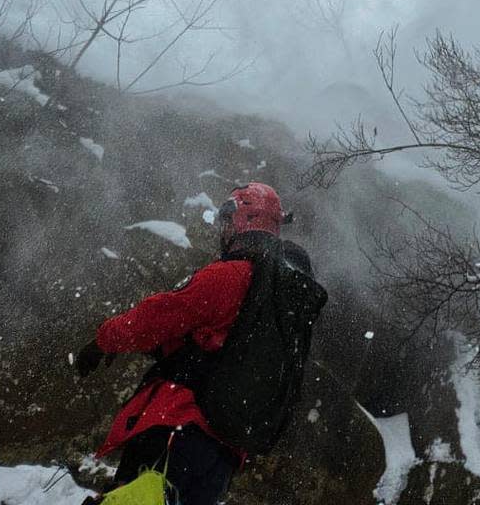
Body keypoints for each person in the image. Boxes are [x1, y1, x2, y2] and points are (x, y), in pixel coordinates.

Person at [75, 182, 327, 505]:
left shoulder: (232, 275)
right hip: (222, 454)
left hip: (176, 429)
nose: (222, 230)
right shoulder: (282, 299)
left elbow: (161, 314)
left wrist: (104, 340)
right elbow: (219, 344)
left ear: (244, 219)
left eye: (227, 220)